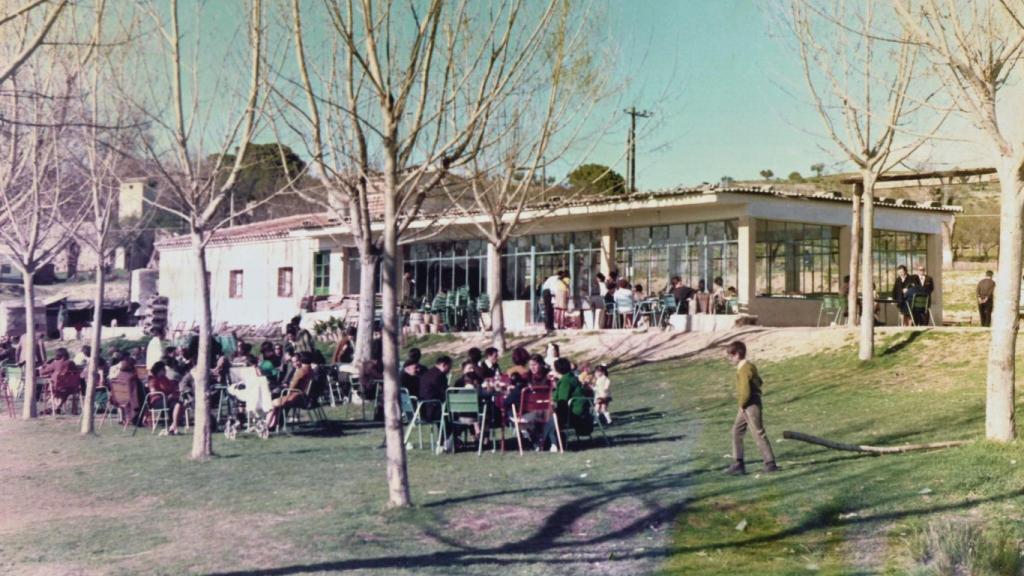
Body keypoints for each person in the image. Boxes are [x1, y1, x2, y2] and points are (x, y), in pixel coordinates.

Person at [724, 341, 778, 475]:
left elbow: (745, 390)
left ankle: (770, 463)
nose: (730, 359)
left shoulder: (744, 368)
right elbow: (759, 381)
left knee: (758, 432)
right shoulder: (749, 366)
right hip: (747, 403)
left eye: (731, 356)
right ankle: (738, 463)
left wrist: (742, 404)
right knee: (736, 431)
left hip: (750, 404)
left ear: (737, 354)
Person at [542, 357, 587, 451]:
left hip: (573, 412)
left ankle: (549, 443)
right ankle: (550, 442)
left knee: (547, 419)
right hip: (581, 410)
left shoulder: (565, 381)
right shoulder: (572, 377)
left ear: (557, 370)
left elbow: (562, 400)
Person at [266, 352, 314, 429]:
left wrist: (286, 391)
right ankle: (274, 424)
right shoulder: (310, 370)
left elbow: (292, 386)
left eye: (297, 361)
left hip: (297, 397)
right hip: (303, 397)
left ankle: (267, 425)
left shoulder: (301, 371)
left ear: (301, 360)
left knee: (272, 403)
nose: (295, 363)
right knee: (277, 401)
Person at [39, 348, 81, 414]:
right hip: (71, 387)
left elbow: (43, 372)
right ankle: (57, 407)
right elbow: (76, 371)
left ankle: (54, 408)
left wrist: (42, 368)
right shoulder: (71, 363)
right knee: (64, 392)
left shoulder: (55, 363)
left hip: (56, 386)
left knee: (52, 392)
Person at [147, 361, 181, 434]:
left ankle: (174, 425)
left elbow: (171, 388)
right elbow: (153, 392)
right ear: (159, 370)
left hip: (167, 400)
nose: (165, 371)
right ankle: (174, 426)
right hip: (157, 401)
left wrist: (174, 391)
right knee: (175, 402)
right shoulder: (153, 379)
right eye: (163, 369)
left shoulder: (164, 379)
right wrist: (167, 396)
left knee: (178, 404)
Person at [417, 355, 452, 422]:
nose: (449, 370)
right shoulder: (440, 376)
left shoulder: (427, 374)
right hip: (433, 410)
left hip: (423, 409)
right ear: (444, 365)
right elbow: (445, 393)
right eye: (449, 367)